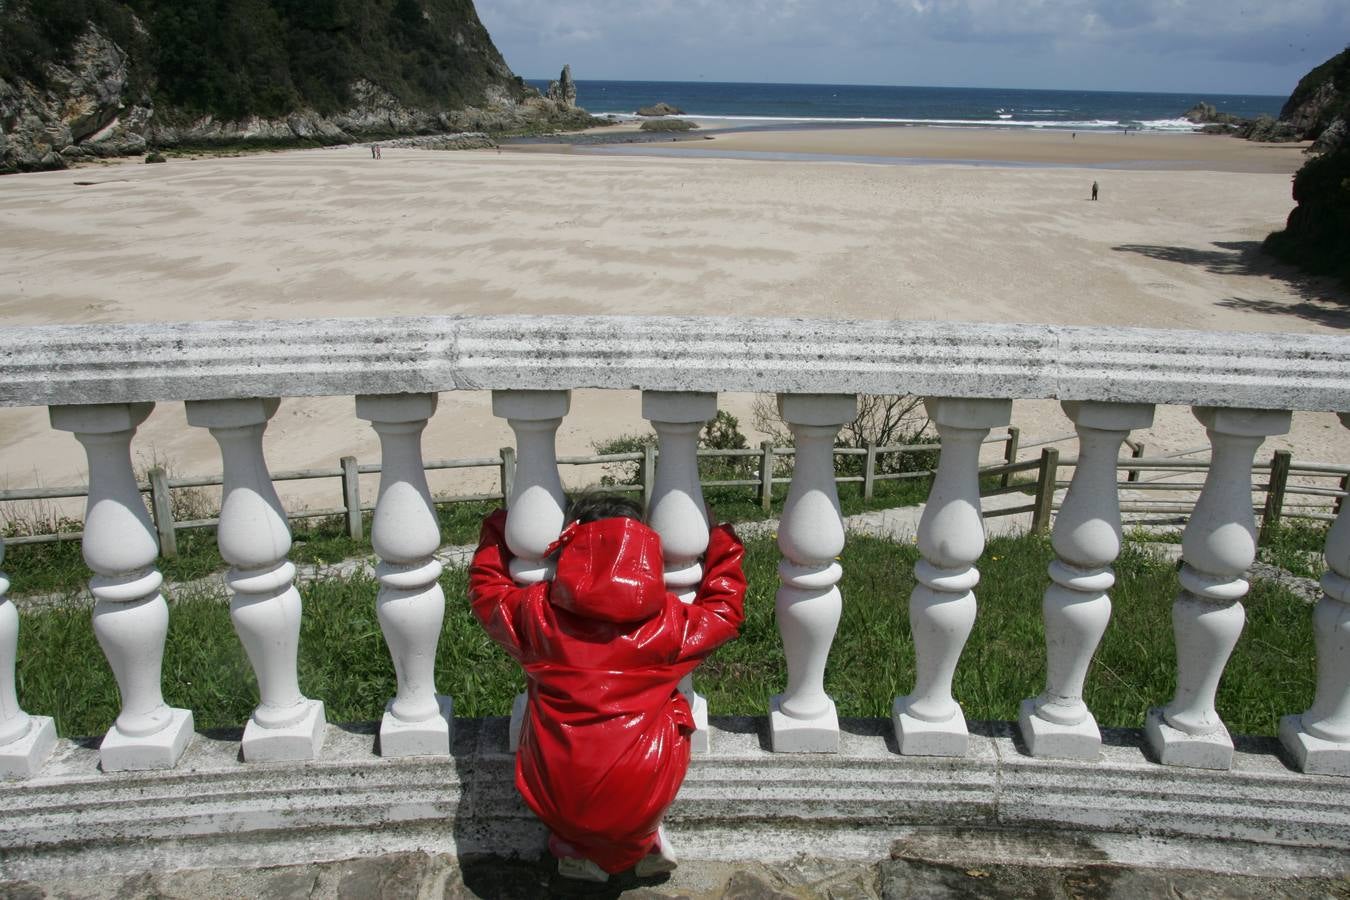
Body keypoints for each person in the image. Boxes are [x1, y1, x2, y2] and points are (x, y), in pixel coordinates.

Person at [469, 494, 747, 883]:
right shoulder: (667, 624)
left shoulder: (536, 614)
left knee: (546, 713)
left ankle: (578, 844)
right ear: (648, 553)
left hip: (555, 792)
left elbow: (486, 590)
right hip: (643, 790)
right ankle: (641, 837)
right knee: (674, 708)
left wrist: (500, 528)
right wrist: (720, 539)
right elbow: (724, 609)